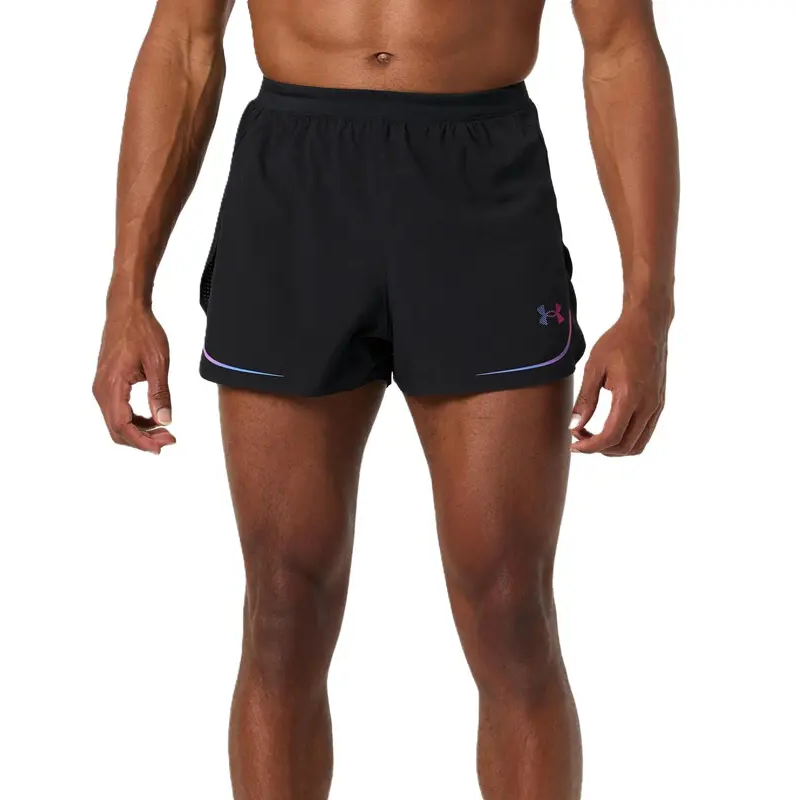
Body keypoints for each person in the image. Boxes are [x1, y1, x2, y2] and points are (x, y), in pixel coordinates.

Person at [93, 0, 678, 796]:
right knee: (283, 606)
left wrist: (648, 309)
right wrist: (127, 294)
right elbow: (184, 44)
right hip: (294, 188)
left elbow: (620, 50)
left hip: (480, 186)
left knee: (509, 606)